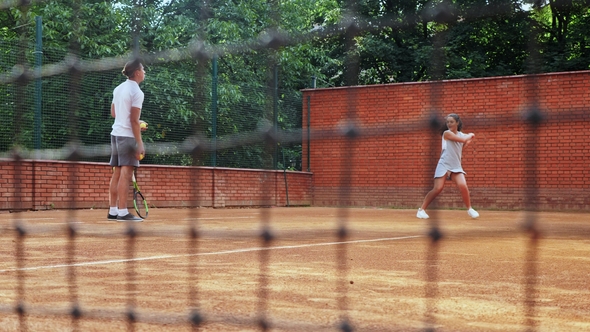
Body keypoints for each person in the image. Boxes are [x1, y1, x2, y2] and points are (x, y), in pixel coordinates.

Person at [417, 113, 479, 219]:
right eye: (448, 122)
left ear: (457, 123)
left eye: (451, 122)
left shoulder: (461, 135)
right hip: (444, 165)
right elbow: (465, 139)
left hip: (456, 166)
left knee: (463, 186)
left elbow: (462, 144)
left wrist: (468, 138)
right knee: (438, 188)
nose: (449, 124)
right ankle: (421, 210)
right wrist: (470, 135)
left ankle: (469, 209)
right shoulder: (446, 133)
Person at [108, 59, 148, 222]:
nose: (145, 72)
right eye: (143, 69)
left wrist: (136, 122)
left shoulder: (118, 88)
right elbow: (132, 121)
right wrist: (140, 143)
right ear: (137, 72)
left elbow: (114, 113)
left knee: (117, 173)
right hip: (128, 136)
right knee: (126, 174)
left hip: (116, 134)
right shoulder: (137, 92)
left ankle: (113, 211)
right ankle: (123, 212)